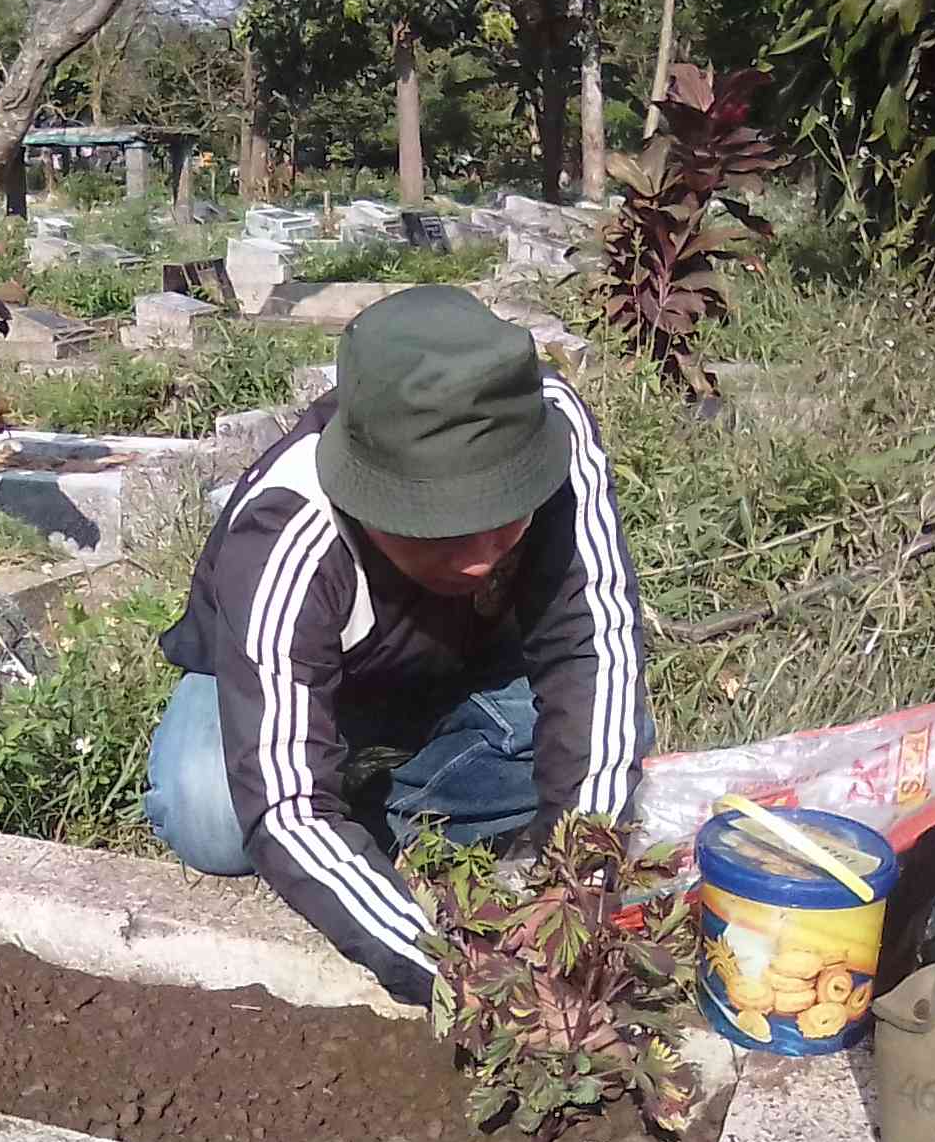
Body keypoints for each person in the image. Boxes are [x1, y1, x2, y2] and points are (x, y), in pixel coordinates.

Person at [143, 285, 651, 1008]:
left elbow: (593, 646)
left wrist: (580, 882)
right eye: (437, 528)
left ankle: (371, 796)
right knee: (216, 812)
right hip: (293, 680)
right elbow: (285, 806)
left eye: (503, 518)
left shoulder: (551, 431)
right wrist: (452, 970)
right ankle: (354, 788)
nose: (480, 560)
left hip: (460, 666)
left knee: (607, 741)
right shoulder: (287, 533)